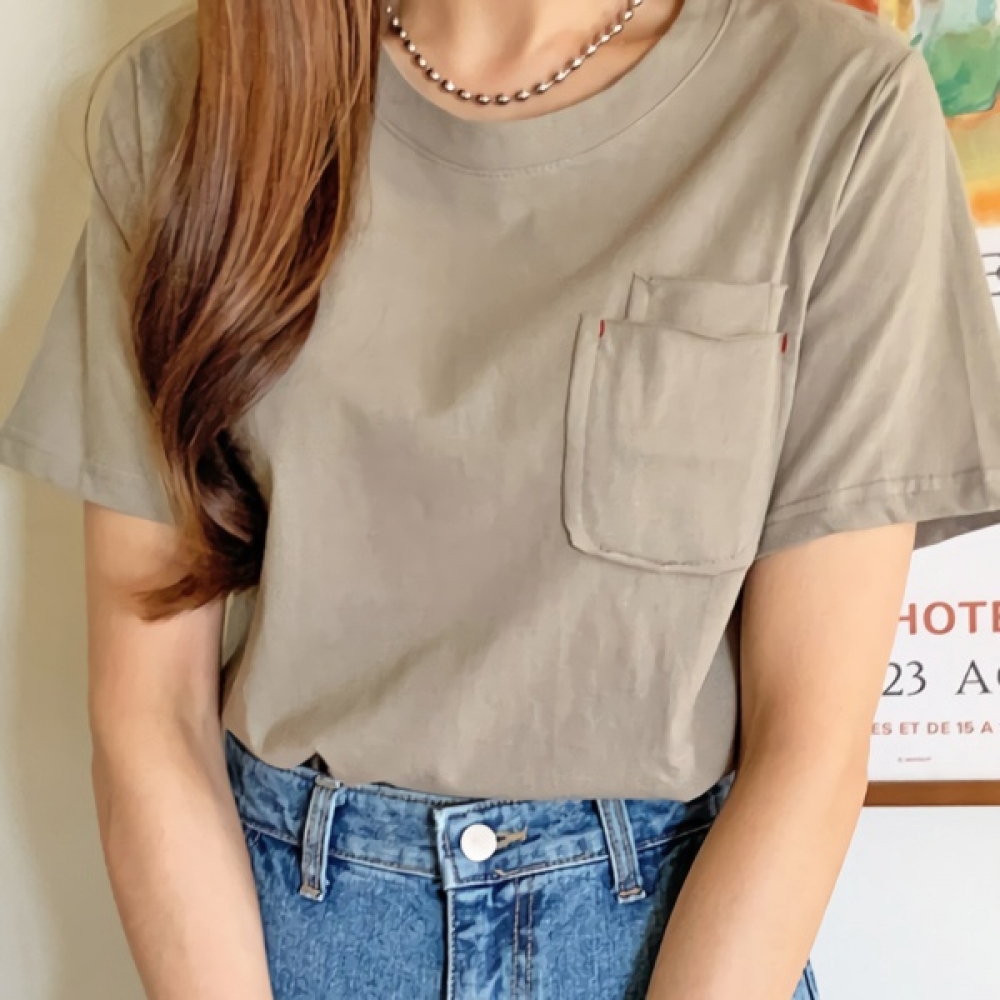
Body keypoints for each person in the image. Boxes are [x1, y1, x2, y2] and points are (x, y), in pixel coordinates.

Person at [3, 0, 1000, 996]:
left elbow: (809, 746)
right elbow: (151, 713)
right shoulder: (203, 97)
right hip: (275, 945)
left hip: (677, 946)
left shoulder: (835, 104)